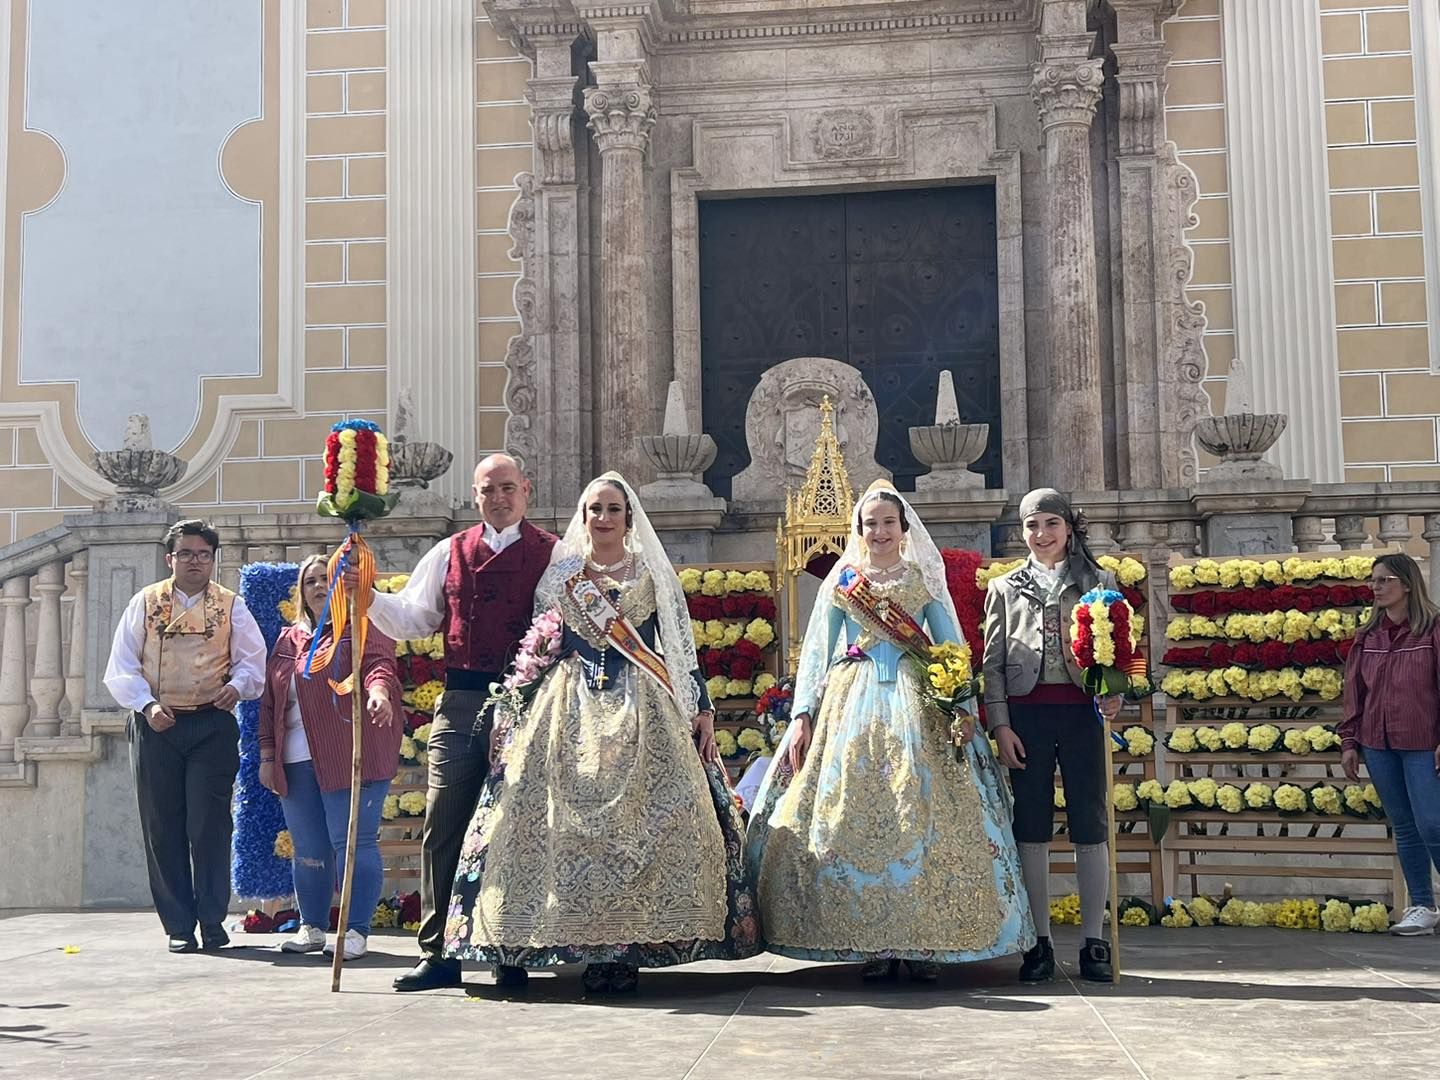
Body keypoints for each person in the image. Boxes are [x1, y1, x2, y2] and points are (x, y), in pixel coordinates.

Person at [443, 473, 761, 993]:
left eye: (613, 509)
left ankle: (625, 949)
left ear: (628, 518)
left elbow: (679, 645)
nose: (603, 518)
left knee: (644, 818)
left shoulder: (653, 574)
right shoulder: (561, 575)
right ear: (583, 516)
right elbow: (541, 640)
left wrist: (700, 704)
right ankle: (547, 939)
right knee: (546, 816)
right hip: (567, 704)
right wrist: (520, 698)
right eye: (594, 509)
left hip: (643, 704)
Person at [745, 480, 1033, 981]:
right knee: (852, 811)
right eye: (869, 524)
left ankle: (924, 943)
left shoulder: (922, 578)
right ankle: (872, 942)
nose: (878, 531)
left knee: (919, 809)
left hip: (917, 700)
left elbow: (950, 648)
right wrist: (803, 715)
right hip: (849, 701)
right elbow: (817, 652)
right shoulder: (844, 582)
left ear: (903, 529)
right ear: (859, 531)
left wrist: (962, 708)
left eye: (887, 523)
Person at [359, 453, 557, 991]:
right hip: (462, 700)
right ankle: (439, 952)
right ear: (475, 496)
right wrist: (366, 594)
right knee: (444, 818)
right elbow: (411, 619)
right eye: (488, 490)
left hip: (529, 703)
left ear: (526, 491)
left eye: (508, 488)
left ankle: (509, 949)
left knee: (516, 824)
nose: (499, 498)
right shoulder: (449, 552)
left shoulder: (554, 554)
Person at [103, 519, 267, 953]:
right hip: (158, 724)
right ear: (170, 558)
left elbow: (254, 662)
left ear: (214, 559)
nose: (196, 561)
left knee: (209, 825)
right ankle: (178, 925)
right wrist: (147, 703)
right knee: (162, 825)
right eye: (187, 554)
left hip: (211, 722)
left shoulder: (232, 605)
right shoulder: (145, 602)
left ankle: (213, 921)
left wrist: (239, 686)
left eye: (204, 554)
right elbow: (121, 666)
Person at [982, 487, 1122, 984]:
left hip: (1082, 714)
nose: (1042, 536)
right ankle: (1037, 940)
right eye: (1032, 527)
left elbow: (1126, 650)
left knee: (1089, 821)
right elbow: (992, 665)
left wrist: (1117, 693)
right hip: (1027, 717)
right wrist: (1000, 724)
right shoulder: (1003, 587)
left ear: (1068, 528)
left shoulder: (1099, 580)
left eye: (1050, 525)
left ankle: (1094, 940)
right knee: (1031, 824)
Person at [257, 553, 404, 960]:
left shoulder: (361, 624)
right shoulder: (289, 640)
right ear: (301, 592)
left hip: (350, 752)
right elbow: (270, 703)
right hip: (297, 759)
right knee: (308, 849)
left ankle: (355, 931)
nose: (320, 586)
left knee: (352, 843)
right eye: (311, 581)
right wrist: (268, 756)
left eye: (328, 578)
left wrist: (377, 693)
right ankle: (313, 927)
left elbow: (380, 666)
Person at [1342, 552, 1440, 936]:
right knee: (1404, 826)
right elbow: (1355, 692)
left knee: (1432, 823)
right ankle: (1421, 905)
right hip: (1377, 743)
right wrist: (1350, 740)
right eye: (1374, 580)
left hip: (1422, 741)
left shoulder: (1432, 629)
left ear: (1408, 585)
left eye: (1385, 580)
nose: (1376, 587)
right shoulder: (1368, 636)